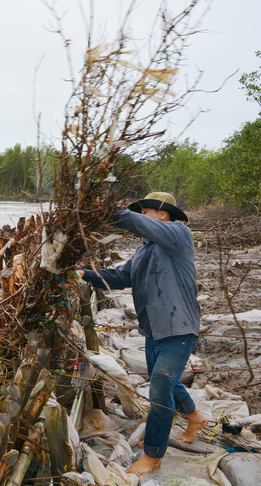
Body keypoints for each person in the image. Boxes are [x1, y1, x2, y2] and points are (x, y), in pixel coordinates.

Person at [76, 192, 208, 476]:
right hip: (153, 328)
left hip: (179, 326)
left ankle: (153, 455)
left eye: (145, 212)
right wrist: (82, 273)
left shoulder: (178, 235)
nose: (141, 218)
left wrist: (109, 211)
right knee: (167, 380)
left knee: (160, 387)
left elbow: (136, 223)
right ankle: (195, 417)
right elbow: (120, 277)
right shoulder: (143, 252)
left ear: (163, 214)